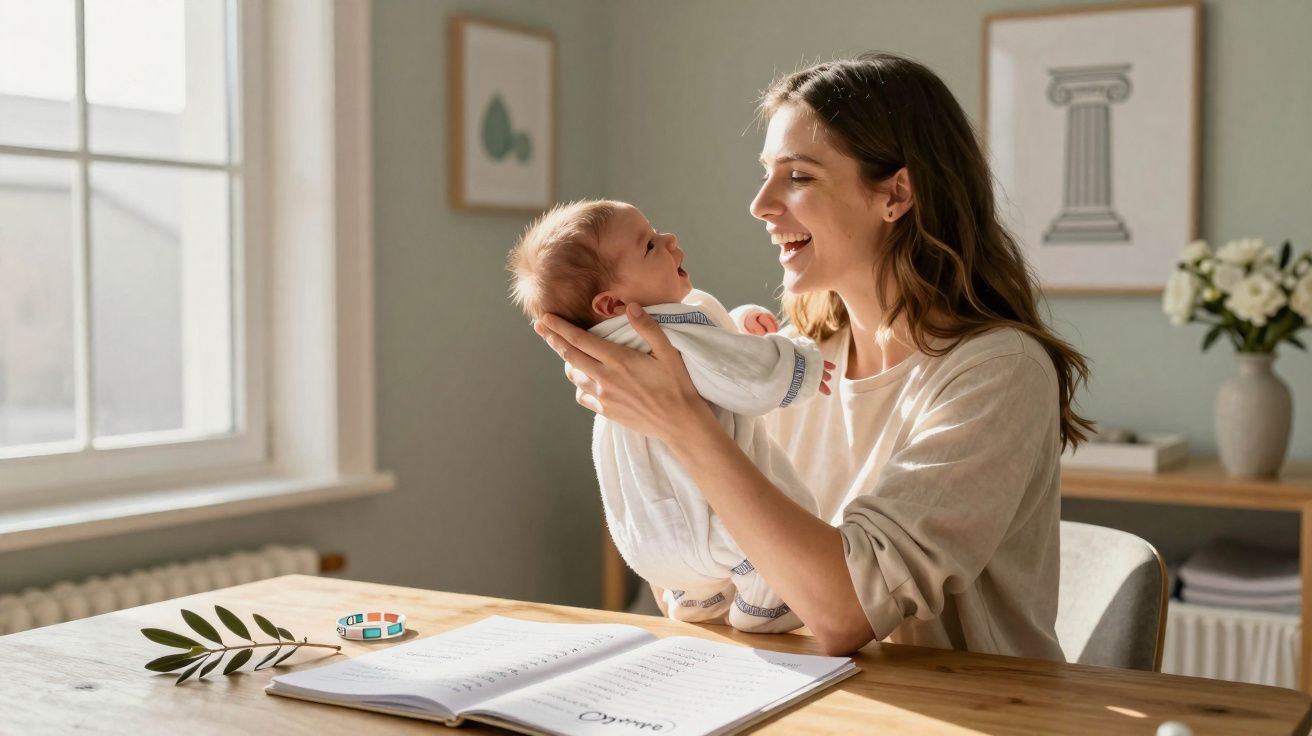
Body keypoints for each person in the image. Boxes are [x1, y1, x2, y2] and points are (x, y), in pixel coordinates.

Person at [532, 52, 1093, 660]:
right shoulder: (790, 357)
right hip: (812, 693)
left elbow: (847, 613)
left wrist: (679, 421)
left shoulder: (998, 371)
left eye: (798, 176)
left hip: (967, 703)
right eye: (766, 173)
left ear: (895, 194)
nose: (761, 204)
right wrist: (644, 426)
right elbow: (699, 582)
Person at [506, 198, 836, 633]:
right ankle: (764, 608)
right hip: (706, 524)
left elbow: (711, 355)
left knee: (702, 577)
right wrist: (798, 365)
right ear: (612, 304)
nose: (669, 240)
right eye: (648, 245)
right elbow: (740, 375)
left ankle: (697, 599)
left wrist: (738, 326)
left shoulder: (614, 356)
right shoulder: (664, 333)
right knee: (777, 532)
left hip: (651, 542)